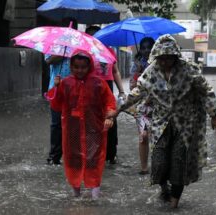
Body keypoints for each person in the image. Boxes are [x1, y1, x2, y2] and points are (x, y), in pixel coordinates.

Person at [108, 35, 216, 208]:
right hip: (161, 124)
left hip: (185, 124)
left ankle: (174, 203)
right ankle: (164, 188)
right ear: (157, 57)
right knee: (159, 161)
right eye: (162, 58)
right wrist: (117, 110)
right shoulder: (151, 72)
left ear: (176, 56)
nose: (165, 61)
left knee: (179, 161)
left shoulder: (189, 70)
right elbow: (137, 93)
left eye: (169, 57)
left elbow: (206, 91)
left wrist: (214, 115)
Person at [47, 51, 116, 199]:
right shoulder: (65, 83)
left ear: (89, 66)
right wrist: (57, 88)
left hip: (94, 129)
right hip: (73, 130)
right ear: (70, 66)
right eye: (76, 67)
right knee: (73, 158)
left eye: (83, 67)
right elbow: (56, 105)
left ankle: (95, 194)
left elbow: (109, 102)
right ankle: (76, 193)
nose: (79, 70)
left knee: (94, 158)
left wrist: (109, 117)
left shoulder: (98, 83)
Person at [85, 25, 126, 164]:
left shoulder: (109, 50)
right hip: (91, 88)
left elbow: (115, 71)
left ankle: (111, 153)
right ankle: (94, 153)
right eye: (91, 36)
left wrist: (121, 91)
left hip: (107, 87)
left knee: (111, 119)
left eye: (97, 35)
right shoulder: (85, 53)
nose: (95, 38)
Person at [45, 19, 76, 165]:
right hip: (55, 88)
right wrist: (63, 51)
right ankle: (54, 156)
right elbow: (49, 60)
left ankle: (71, 155)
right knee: (56, 123)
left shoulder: (79, 45)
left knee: (72, 122)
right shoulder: (53, 42)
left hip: (74, 89)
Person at [129, 37, 155, 175]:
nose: (146, 50)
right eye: (143, 47)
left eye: (148, 47)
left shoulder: (159, 63)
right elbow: (132, 87)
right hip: (141, 106)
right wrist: (138, 74)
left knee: (158, 136)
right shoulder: (136, 64)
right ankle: (144, 167)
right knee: (143, 136)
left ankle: (158, 164)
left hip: (158, 105)